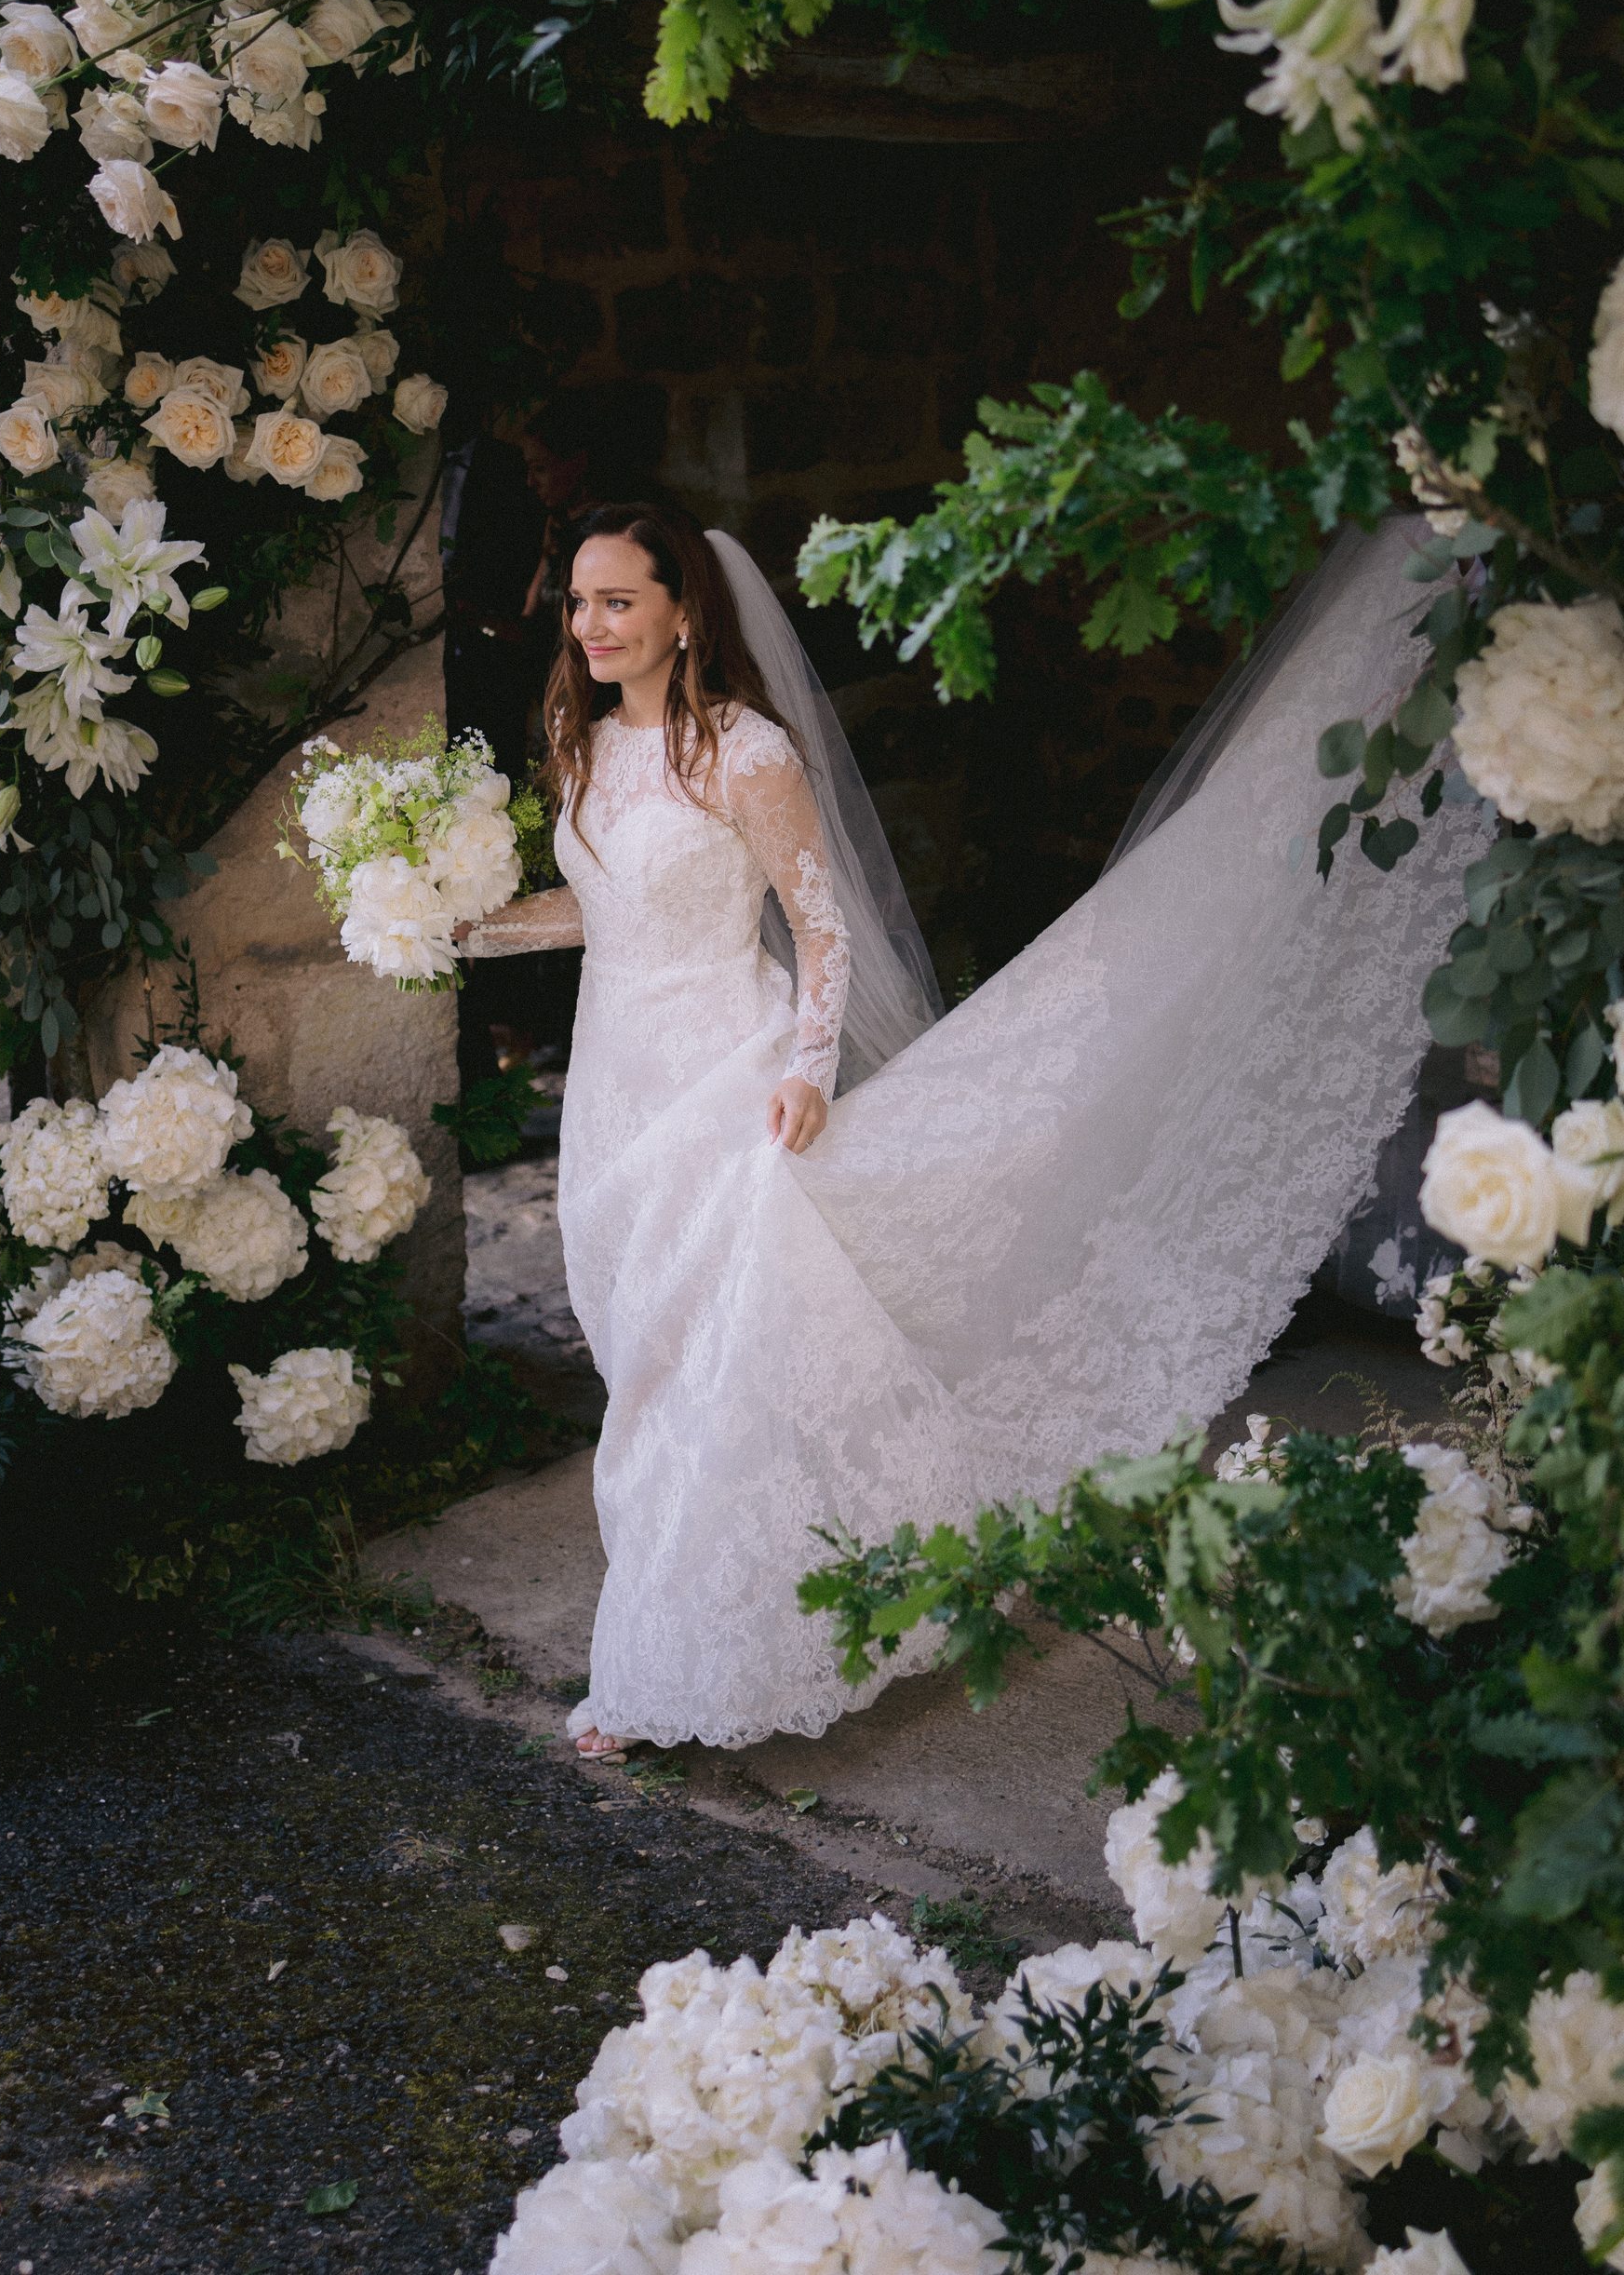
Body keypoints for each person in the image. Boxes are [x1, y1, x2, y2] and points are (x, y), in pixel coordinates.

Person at [459, 503, 1480, 1757]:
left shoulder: (745, 750)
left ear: (682, 612)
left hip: (730, 1076)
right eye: (579, 601)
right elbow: (598, 904)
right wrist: (460, 928)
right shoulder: (582, 740)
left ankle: (669, 1666)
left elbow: (819, 921)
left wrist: (810, 1072)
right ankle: (751, 1612)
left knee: (709, 1366)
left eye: (620, 600)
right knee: (644, 1356)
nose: (593, 625)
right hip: (616, 1090)